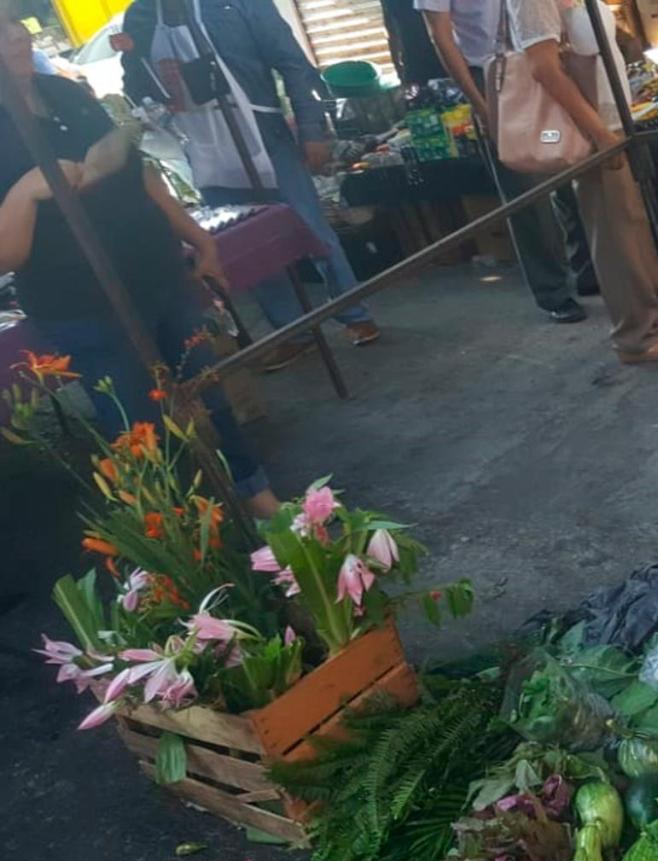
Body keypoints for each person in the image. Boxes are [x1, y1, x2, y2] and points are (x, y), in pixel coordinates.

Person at [0, 6, 279, 518]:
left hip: (159, 275)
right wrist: (23, 194)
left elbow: (140, 172)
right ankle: (191, 540)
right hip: (85, 306)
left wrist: (199, 239)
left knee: (208, 395)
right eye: (1, 32)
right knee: (141, 425)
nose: (15, 38)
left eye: (15, 25)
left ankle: (257, 499)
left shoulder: (66, 94)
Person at [120, 0, 381, 373]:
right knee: (244, 243)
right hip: (205, 144)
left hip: (263, 134)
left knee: (311, 229)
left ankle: (354, 312)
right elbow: (134, 81)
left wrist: (311, 129)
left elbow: (292, 63)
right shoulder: (141, 15)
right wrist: (144, 81)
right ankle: (293, 331)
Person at [507, 0, 658, 363]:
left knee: (631, 225)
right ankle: (636, 335)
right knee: (614, 233)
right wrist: (599, 133)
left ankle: (656, 311)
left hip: (610, 117)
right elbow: (543, 68)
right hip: (593, 126)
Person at [418, 0, 597, 323]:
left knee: (567, 158)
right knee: (525, 190)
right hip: (496, 75)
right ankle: (553, 292)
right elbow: (441, 37)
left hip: (545, 59)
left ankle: (587, 269)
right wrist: (482, 104)